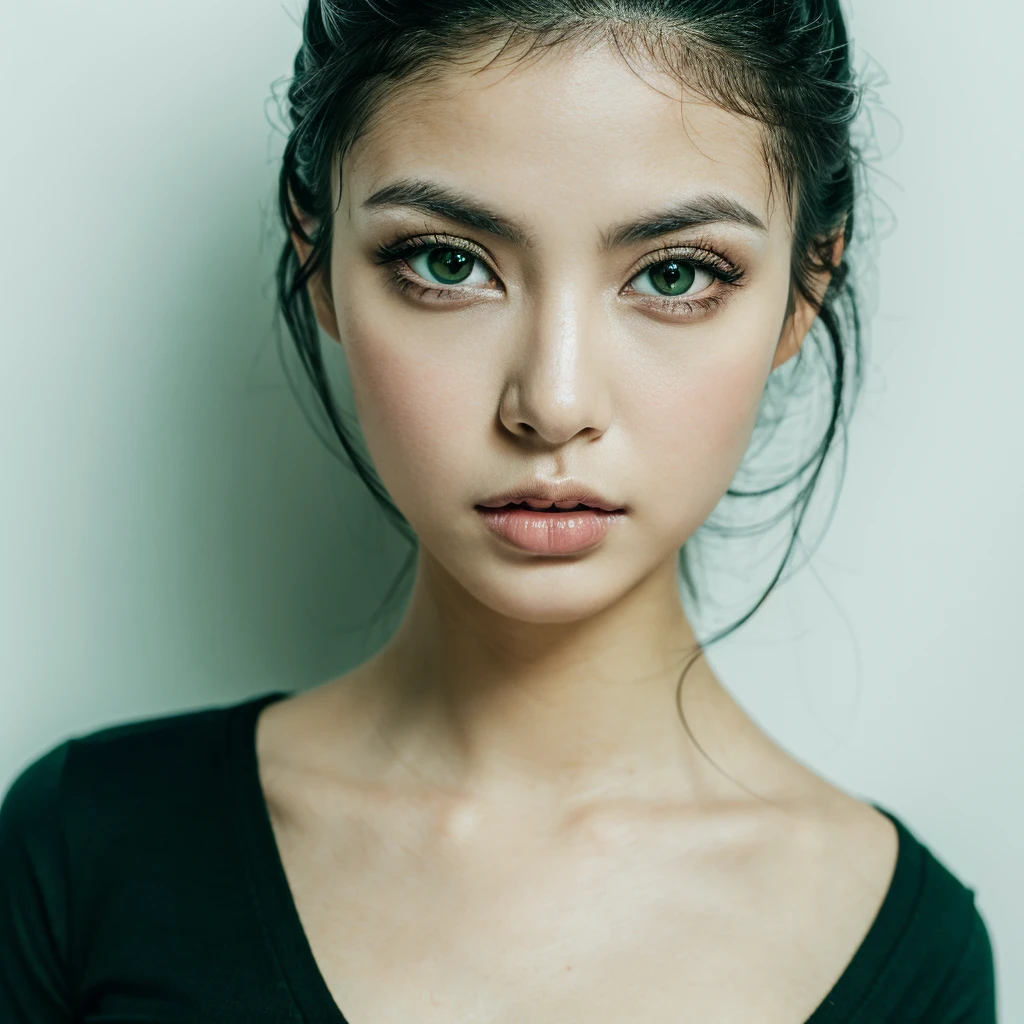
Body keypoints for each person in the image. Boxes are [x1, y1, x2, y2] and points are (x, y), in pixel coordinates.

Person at [0, 1, 998, 1021]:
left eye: (672, 274)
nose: (553, 401)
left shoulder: (901, 951)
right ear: (320, 260)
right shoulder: (86, 853)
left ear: (803, 289)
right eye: (447, 262)